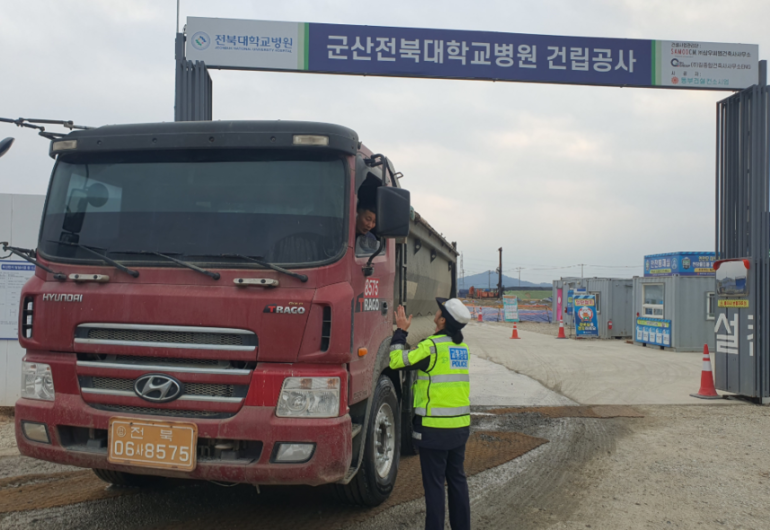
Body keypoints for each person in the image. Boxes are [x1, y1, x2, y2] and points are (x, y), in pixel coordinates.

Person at [389, 297, 473, 530]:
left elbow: (396, 361)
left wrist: (400, 332)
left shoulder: (431, 347)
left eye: (439, 311)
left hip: (434, 430)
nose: (436, 312)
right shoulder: (462, 348)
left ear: (443, 320)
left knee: (435, 486)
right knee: (457, 481)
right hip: (459, 428)